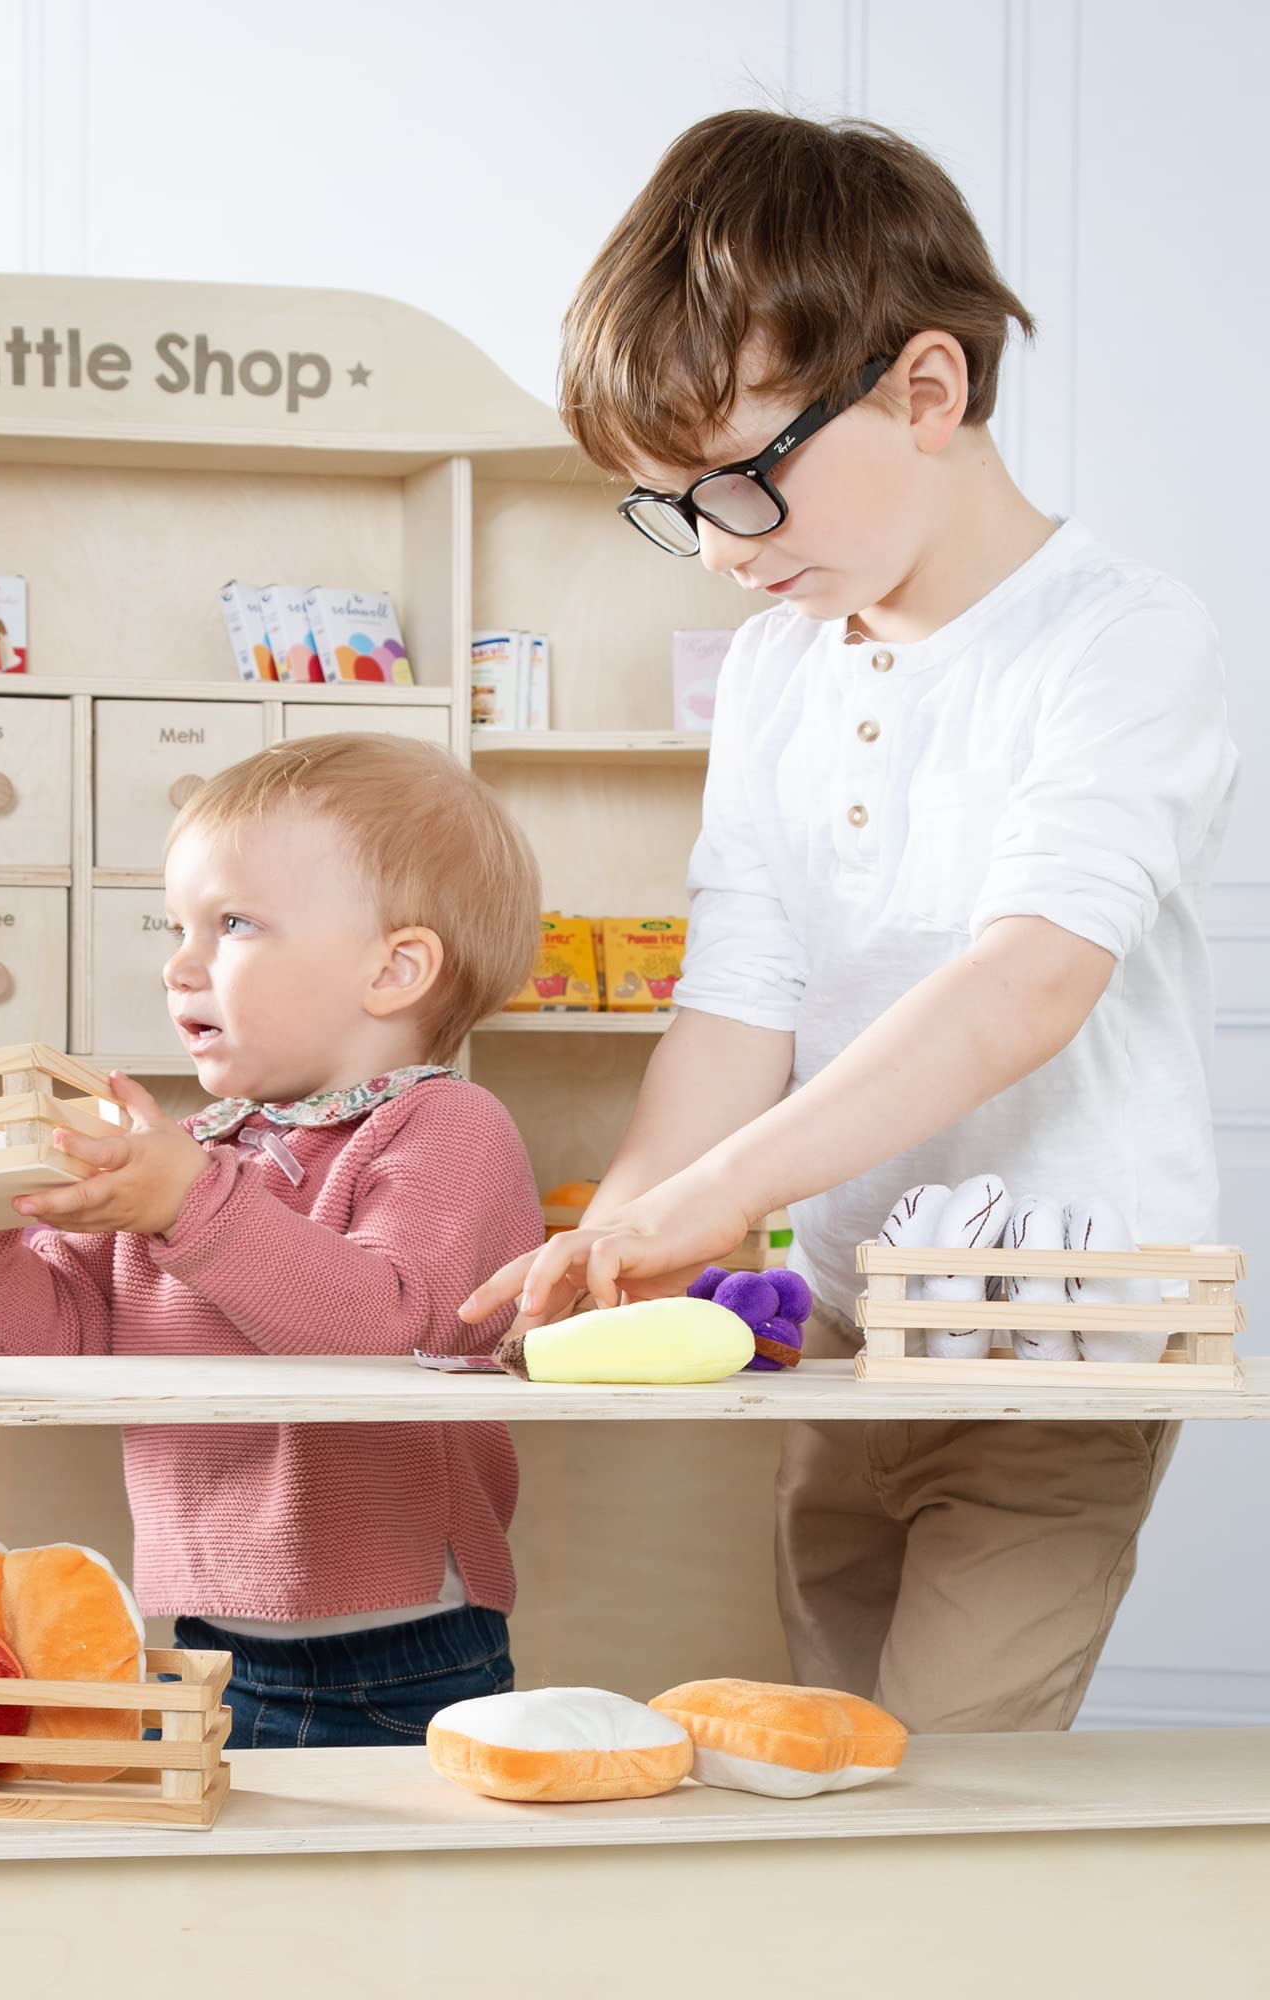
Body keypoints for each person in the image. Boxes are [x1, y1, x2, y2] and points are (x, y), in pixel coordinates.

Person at [461, 108, 1237, 1733]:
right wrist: (628, 1235)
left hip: (1055, 1357)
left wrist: (696, 1210)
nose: (719, 554)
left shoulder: (1122, 644)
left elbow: (1025, 986)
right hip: (833, 1331)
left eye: (740, 486)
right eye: (671, 506)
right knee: (826, 1768)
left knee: (950, 1788)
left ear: (926, 390)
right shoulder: (777, 671)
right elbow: (742, 992)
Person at [0, 733, 544, 1746]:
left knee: (401, 1903)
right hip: (201, 1634)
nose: (178, 963)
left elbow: (390, 1322)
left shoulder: (446, 1126)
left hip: (401, 1642)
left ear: (394, 969)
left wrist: (183, 1202)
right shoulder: (189, 1153)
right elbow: (42, 1358)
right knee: (224, 1900)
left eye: (232, 922)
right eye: (176, 925)